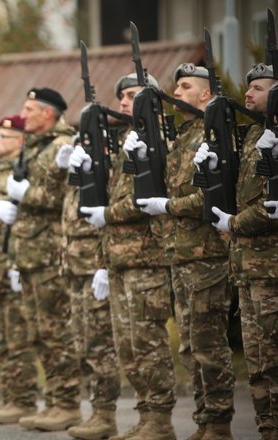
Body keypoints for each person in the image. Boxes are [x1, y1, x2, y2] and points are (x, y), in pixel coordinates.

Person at [132, 64, 235, 439]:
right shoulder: (183, 136)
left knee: (209, 345)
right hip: (181, 254)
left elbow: (213, 195)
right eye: (176, 85)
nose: (177, 91)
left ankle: (220, 424)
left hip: (206, 255)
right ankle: (205, 422)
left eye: (186, 86)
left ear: (206, 94)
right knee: (190, 347)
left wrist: (168, 207)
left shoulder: (210, 136)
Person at [78, 72, 178, 440]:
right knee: (128, 345)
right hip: (120, 260)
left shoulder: (161, 141)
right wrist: (103, 263)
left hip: (147, 259)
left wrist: (109, 214)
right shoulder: (124, 142)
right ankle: (145, 417)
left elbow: (146, 201)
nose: (123, 103)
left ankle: (161, 420)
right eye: (121, 96)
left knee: (149, 344)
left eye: (133, 95)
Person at [197, 63, 278, 439]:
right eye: (249, 86)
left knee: (272, 360)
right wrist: (208, 172)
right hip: (246, 268)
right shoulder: (250, 138)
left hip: (270, 267)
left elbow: (268, 209)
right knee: (259, 362)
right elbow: (234, 192)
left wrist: (233, 223)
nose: (248, 94)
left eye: (259, 88)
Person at [0, 87, 82, 432]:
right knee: (39, 332)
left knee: (56, 331)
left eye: (30, 108)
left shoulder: (62, 146)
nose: (24, 114)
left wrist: (25, 194)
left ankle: (67, 403)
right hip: (30, 253)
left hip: (50, 253)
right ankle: (54, 400)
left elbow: (64, 196)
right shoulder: (36, 147)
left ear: (48, 113)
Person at [0, 115, 39, 425]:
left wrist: (15, 262)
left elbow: (23, 221)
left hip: (13, 263)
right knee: (2, 338)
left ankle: (25, 399)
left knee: (18, 337)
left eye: (4, 136)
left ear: (20, 141)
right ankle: (13, 397)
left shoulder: (21, 171)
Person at [61, 138, 121, 437]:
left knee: (100, 345)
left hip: (95, 266)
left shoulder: (106, 166)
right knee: (83, 343)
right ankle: (95, 412)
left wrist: (104, 264)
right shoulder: (79, 170)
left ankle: (105, 414)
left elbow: (103, 219)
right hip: (75, 267)